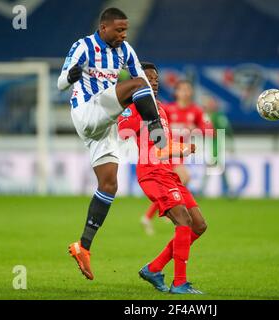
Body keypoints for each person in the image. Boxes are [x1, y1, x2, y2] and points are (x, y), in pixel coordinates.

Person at [57, 7, 165, 280]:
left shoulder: (126, 50)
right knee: (137, 84)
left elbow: (144, 83)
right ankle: (152, 126)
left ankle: (83, 246)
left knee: (109, 184)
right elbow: (60, 82)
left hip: (103, 125)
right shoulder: (83, 46)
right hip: (86, 111)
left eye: (125, 30)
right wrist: (70, 77)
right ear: (103, 28)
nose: (123, 35)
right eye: (119, 30)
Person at [118, 62, 207, 294]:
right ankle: (179, 283)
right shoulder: (136, 106)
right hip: (152, 174)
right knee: (184, 222)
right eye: (149, 77)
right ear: (138, 81)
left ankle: (154, 268)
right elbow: (121, 128)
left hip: (169, 173)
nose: (155, 81)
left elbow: (162, 146)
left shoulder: (160, 108)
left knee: (199, 225)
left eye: (156, 78)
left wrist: (181, 148)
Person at [141, 80, 213, 233]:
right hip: (165, 151)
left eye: (188, 90)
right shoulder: (167, 108)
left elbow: (209, 129)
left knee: (178, 182)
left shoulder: (196, 111)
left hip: (179, 154)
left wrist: (200, 125)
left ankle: (151, 215)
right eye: (182, 90)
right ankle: (163, 210)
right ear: (176, 93)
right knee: (184, 178)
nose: (185, 93)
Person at [200, 95, 235, 196]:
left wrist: (230, 144)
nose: (209, 105)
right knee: (218, 168)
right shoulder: (205, 115)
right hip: (208, 145)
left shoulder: (218, 116)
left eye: (211, 103)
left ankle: (202, 190)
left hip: (216, 145)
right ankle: (229, 190)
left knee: (213, 167)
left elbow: (226, 129)